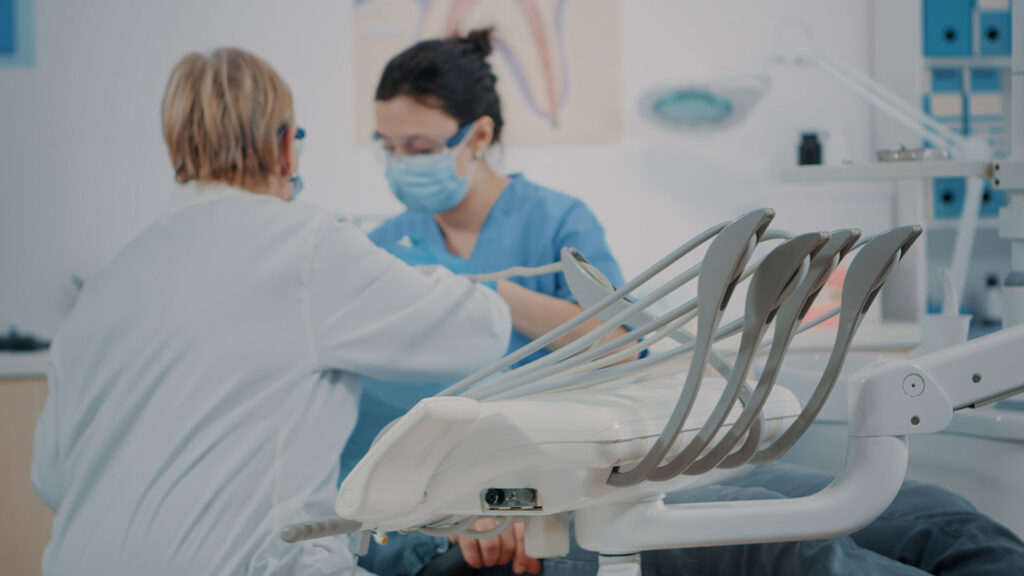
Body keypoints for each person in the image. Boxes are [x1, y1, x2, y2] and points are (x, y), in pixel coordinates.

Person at [349, 30, 1024, 576]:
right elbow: (376, 439)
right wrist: (466, 509)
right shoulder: (378, 258)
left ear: (477, 136)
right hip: (504, 511)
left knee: (930, 514)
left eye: (418, 147)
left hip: (618, 470)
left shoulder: (552, 222)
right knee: (796, 550)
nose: (400, 162)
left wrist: (486, 290)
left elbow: (620, 344)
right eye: (388, 147)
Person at [30, 47, 517, 576]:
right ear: (286, 146)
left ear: (176, 150)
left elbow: (51, 481)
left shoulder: (105, 286)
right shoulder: (307, 246)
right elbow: (482, 330)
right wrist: (433, 272)